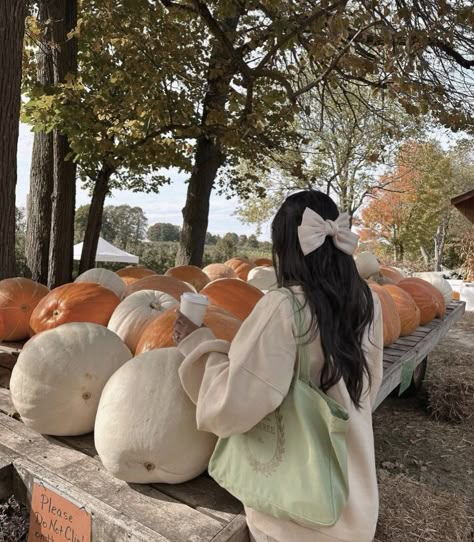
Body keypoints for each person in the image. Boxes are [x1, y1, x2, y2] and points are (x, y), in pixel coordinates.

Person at [173, 189, 384, 542]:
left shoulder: (284, 307)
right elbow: (368, 386)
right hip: (354, 499)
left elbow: (232, 406)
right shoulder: (368, 301)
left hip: (297, 517)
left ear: (283, 247)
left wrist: (196, 342)